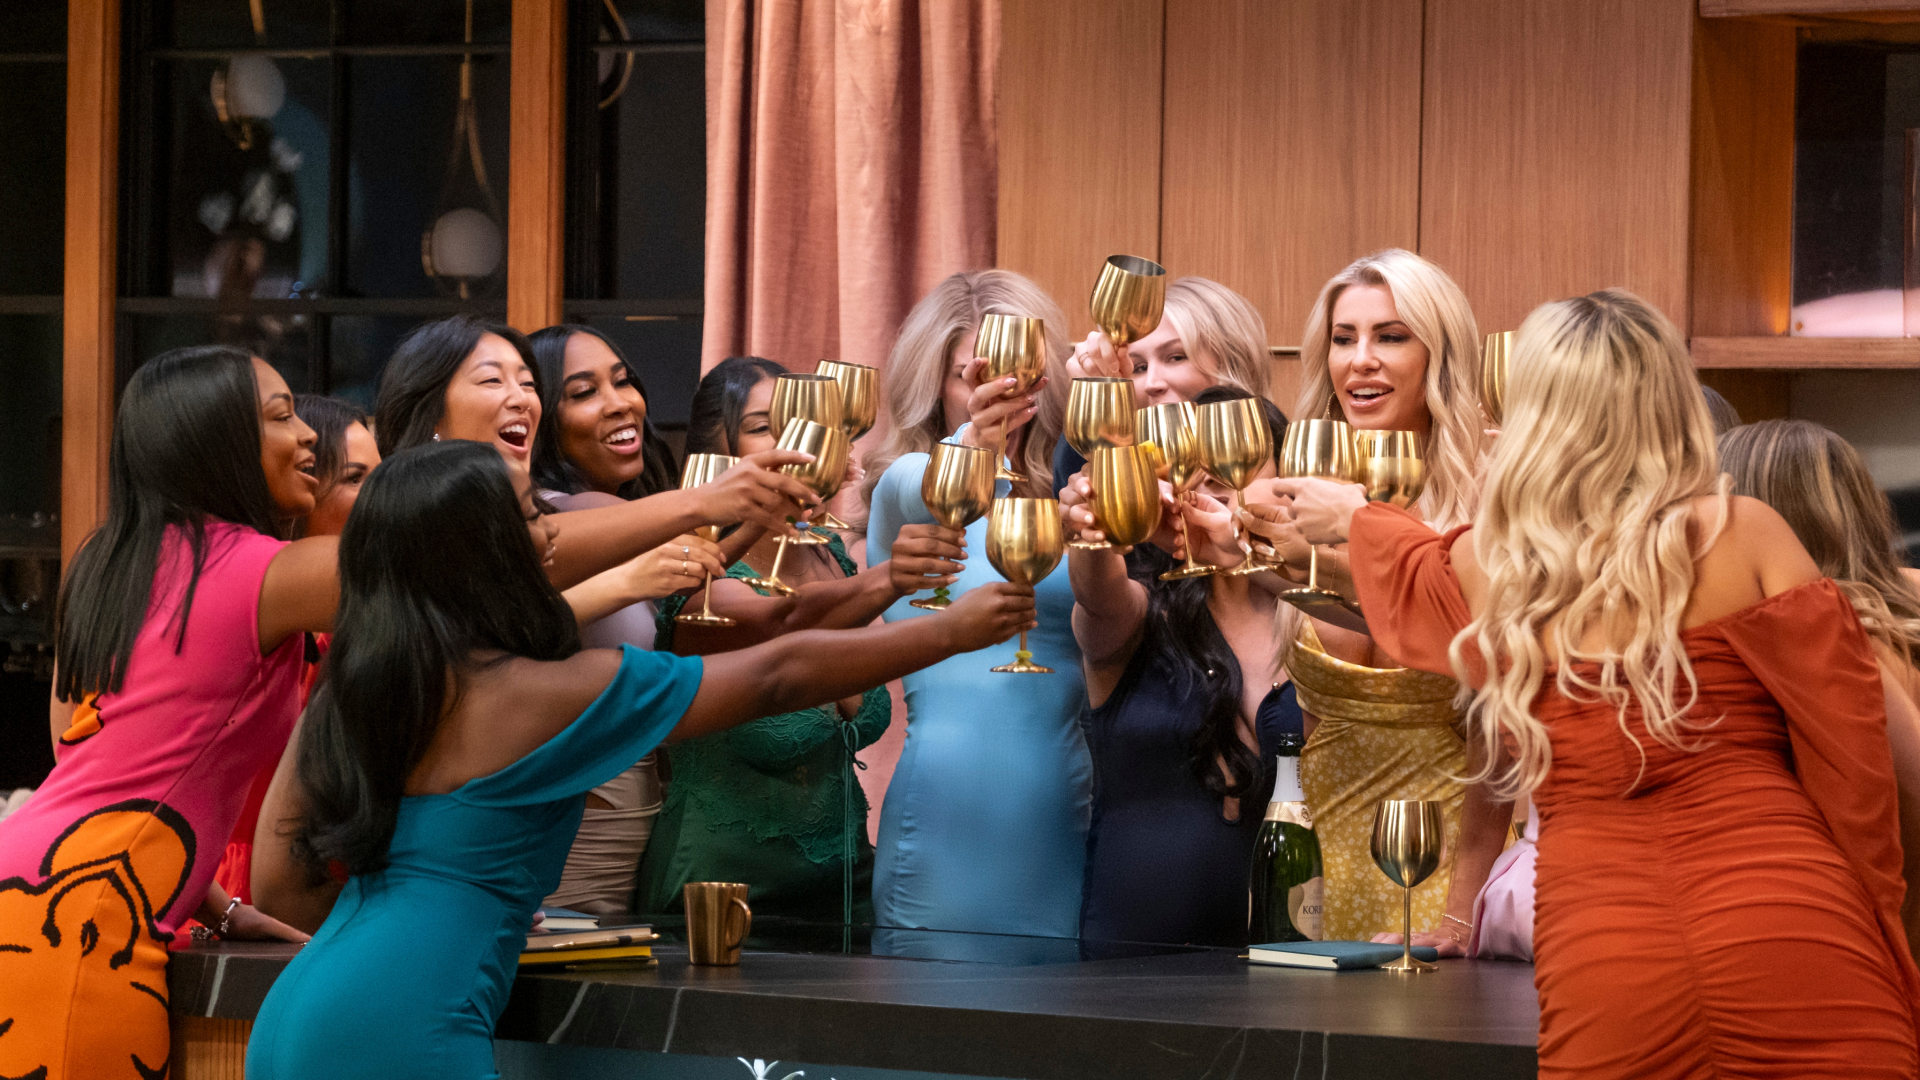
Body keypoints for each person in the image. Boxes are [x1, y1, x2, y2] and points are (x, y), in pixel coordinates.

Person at [243, 440, 1035, 1079]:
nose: (552, 535)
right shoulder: (544, 694)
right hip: (406, 1035)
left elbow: (282, 884)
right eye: (530, 521)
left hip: (296, 1016)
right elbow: (774, 676)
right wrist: (948, 631)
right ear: (479, 556)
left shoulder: (355, 689)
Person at [1287, 288, 1920, 1077]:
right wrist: (1882, 908)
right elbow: (1860, 758)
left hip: (1608, 945)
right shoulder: (1745, 530)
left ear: (1531, 410)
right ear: (1671, 400)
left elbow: (1408, 569)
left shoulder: (1491, 567)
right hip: (1788, 919)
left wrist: (1350, 515)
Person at [0, 347, 335, 1080]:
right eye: (281, 416)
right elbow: (462, 565)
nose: (310, 434)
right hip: (81, 924)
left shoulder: (107, 562)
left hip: (25, 885)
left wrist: (214, 905)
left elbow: (75, 754)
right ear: (216, 444)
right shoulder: (257, 571)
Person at [1239, 248, 1509, 948]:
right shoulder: (1297, 494)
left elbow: (1506, 731)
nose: (1360, 359)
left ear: (1439, 356)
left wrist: (1462, 910)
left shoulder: (1493, 503)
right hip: (1319, 864)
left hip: (1449, 872)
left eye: (1390, 337)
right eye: (1342, 338)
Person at [635, 359, 966, 922]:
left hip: (845, 889)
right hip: (723, 895)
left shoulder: (830, 558)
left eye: (801, 421)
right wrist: (896, 583)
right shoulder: (694, 579)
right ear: (717, 458)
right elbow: (780, 625)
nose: (793, 443)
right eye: (765, 427)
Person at [861, 270, 1092, 952]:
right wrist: (972, 444)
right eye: (973, 375)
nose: (998, 394)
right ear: (936, 383)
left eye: (1022, 377)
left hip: (1066, 810)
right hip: (943, 819)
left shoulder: (1072, 507)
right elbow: (923, 487)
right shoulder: (906, 491)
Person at [1061, 387, 1301, 946]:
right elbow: (1098, 597)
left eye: (1229, 463)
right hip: (1135, 954)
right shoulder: (1142, 612)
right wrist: (1095, 531)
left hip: (1291, 951)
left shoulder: (1320, 622)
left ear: (1287, 479)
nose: (1202, 487)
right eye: (1185, 470)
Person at [374, 313, 817, 589]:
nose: (522, 398)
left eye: (528, 384)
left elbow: (693, 570)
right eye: (494, 381)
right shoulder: (424, 531)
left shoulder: (544, 518)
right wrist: (706, 501)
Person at [524, 324, 727, 915]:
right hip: (586, 820)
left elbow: (694, 577)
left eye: (622, 381)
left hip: (622, 808)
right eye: (584, 392)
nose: (620, 403)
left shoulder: (605, 513)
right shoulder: (575, 512)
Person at [206, 394, 381, 914]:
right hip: (245, 890)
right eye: (356, 479)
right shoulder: (273, 609)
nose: (380, 497)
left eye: (383, 477)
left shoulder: (351, 623)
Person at [1054, 275, 1274, 494]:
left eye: (1176, 357)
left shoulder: (1285, 479)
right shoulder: (1121, 481)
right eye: (1139, 367)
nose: (1152, 383)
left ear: (1233, 362)